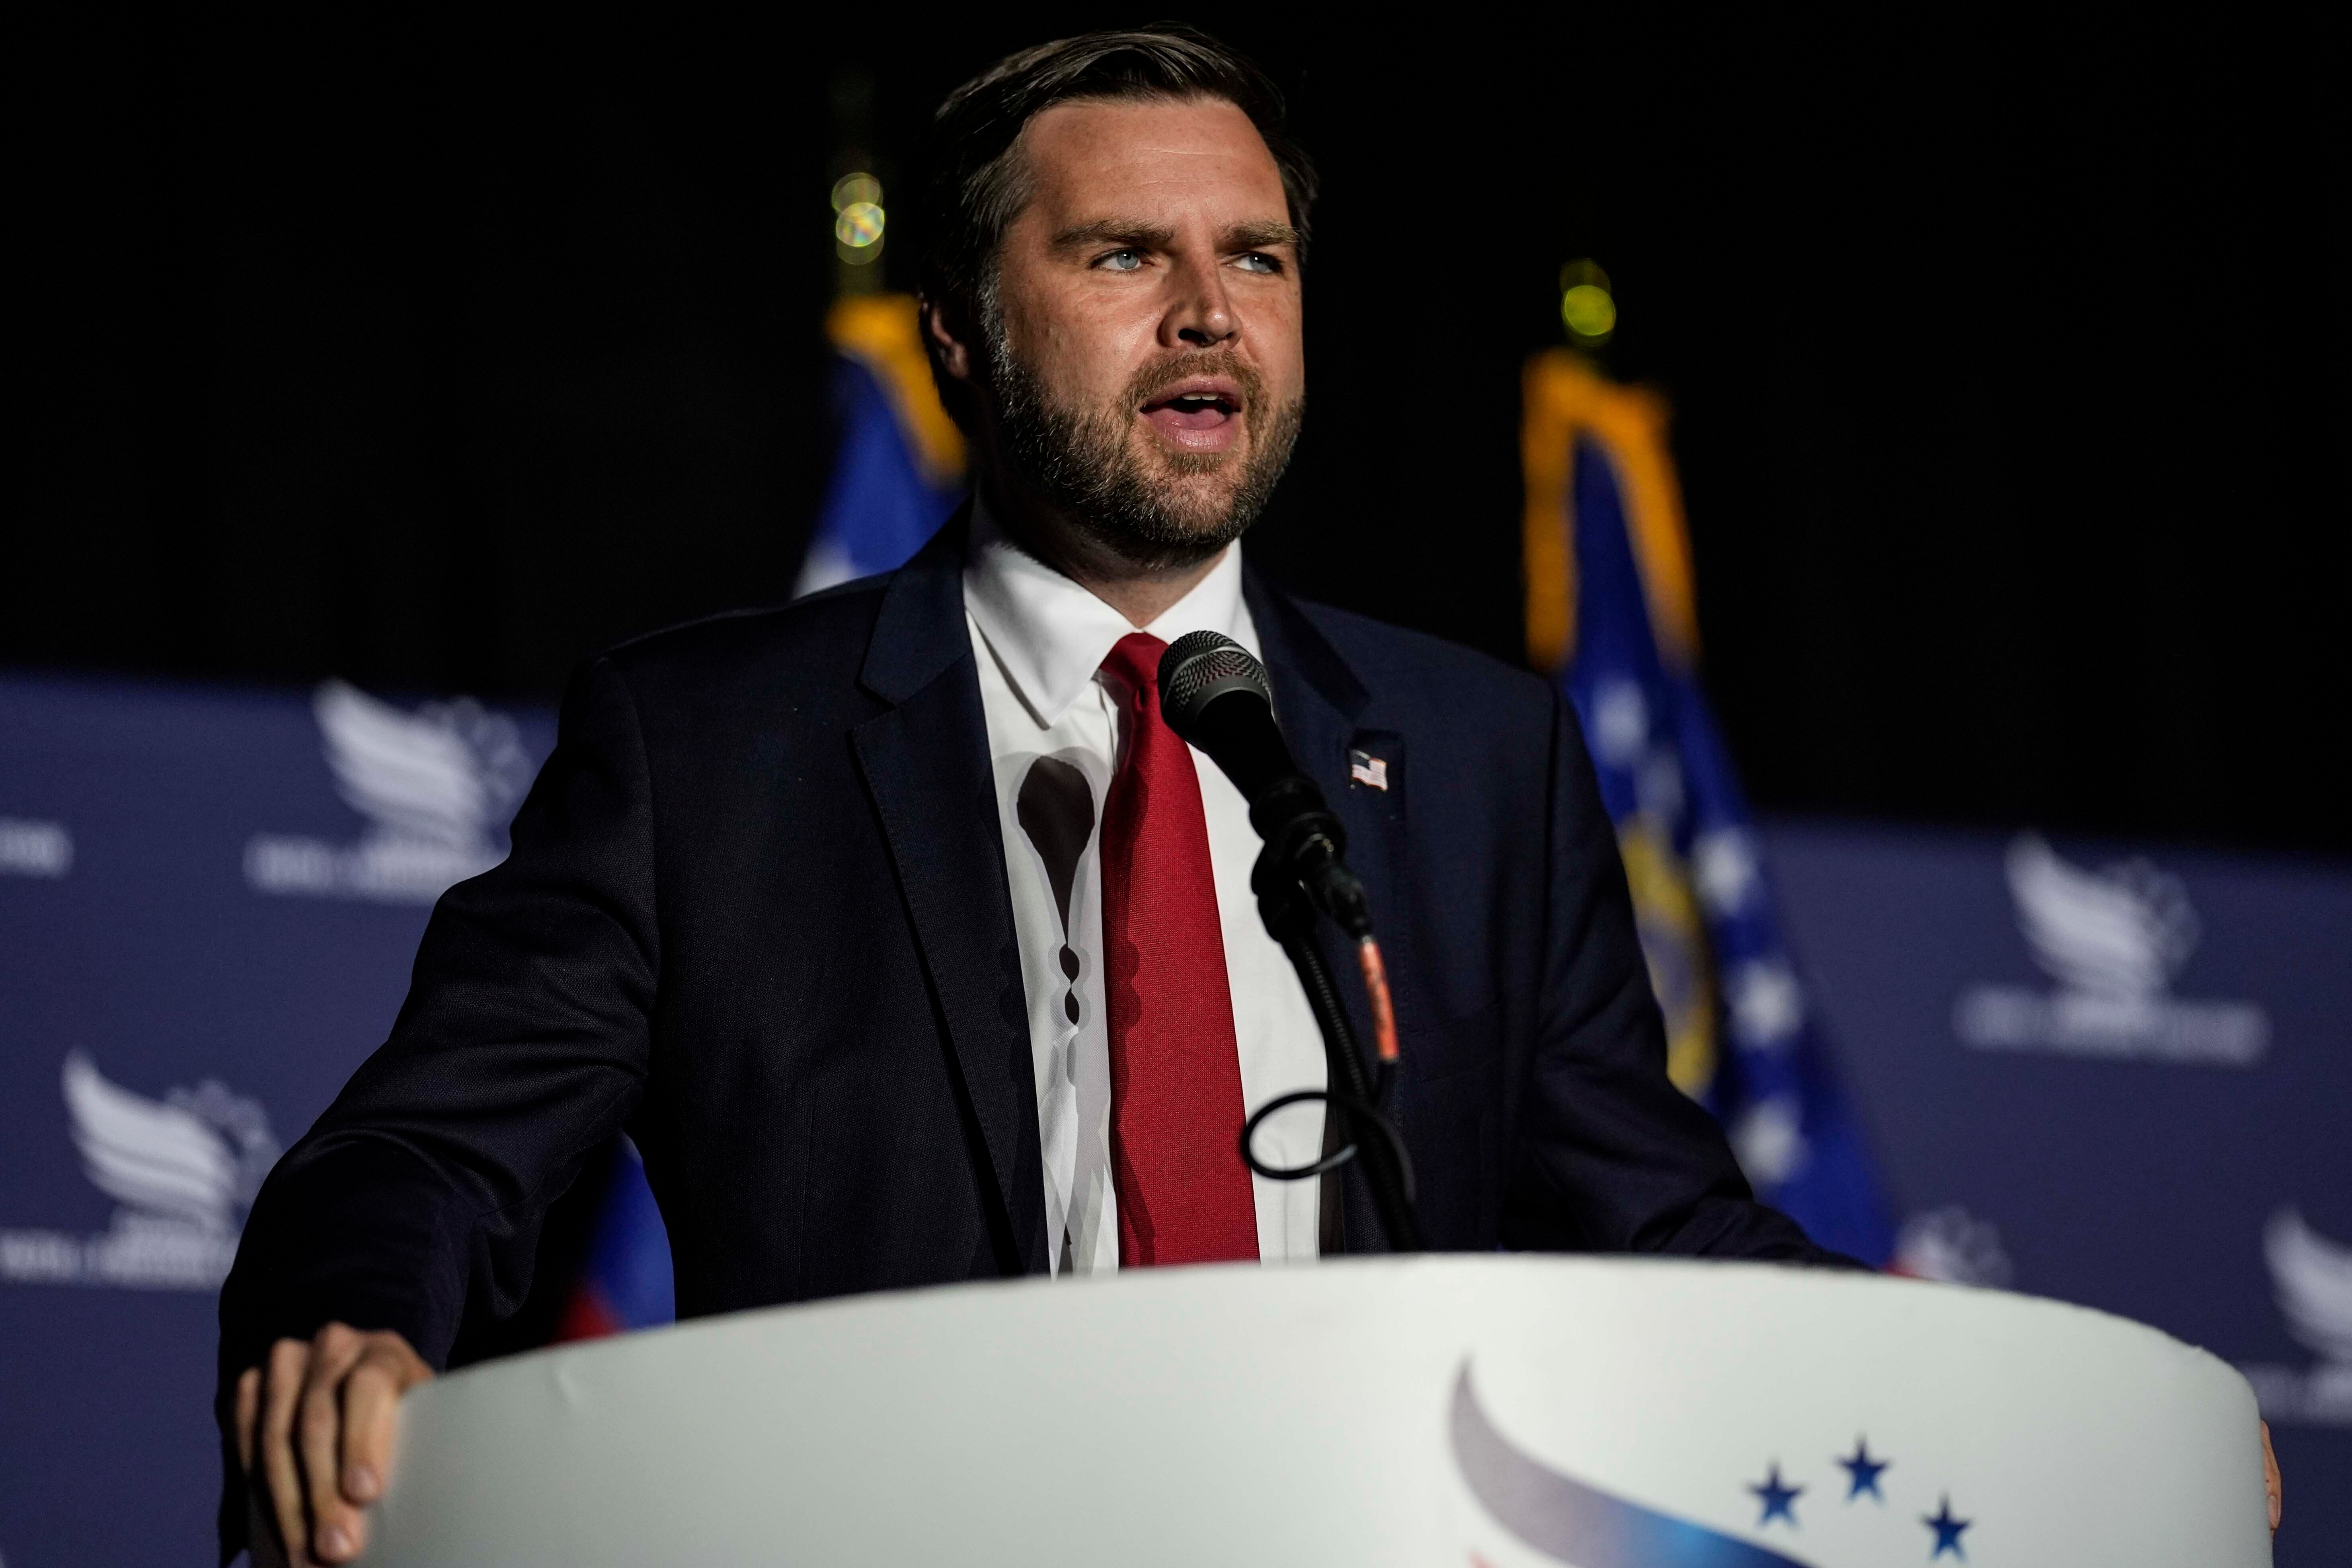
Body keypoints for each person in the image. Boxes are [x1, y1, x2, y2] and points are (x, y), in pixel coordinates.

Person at [215, 26, 2284, 1564]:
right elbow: (423, 1154)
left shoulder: (1473, 759)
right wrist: (349, 1316)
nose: (1211, 311)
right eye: (1123, 253)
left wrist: (2024, 1405)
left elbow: (1659, 1222)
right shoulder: (709, 752)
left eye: (1258, 256)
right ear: (957, 329)